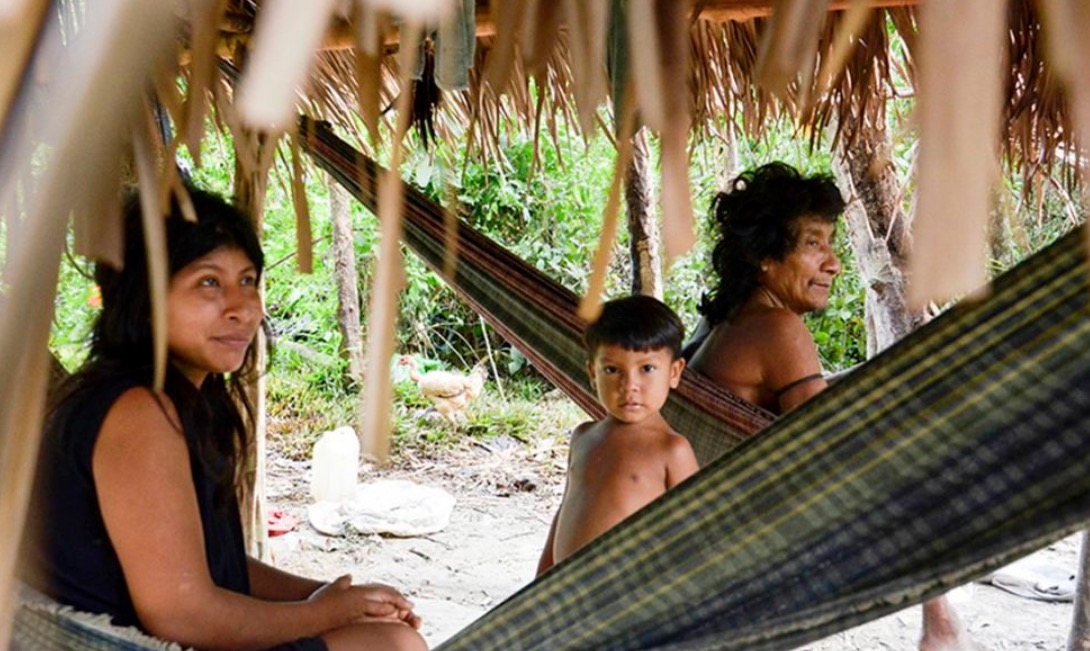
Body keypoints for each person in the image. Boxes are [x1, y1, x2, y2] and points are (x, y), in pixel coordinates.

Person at [22, 188, 427, 651]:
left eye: (249, 280)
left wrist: (328, 596)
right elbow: (182, 612)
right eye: (209, 283)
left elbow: (212, 563)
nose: (243, 308)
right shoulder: (137, 413)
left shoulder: (185, 400)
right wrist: (325, 612)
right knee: (392, 647)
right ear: (144, 293)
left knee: (382, 636)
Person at [686, 161, 976, 651]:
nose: (834, 262)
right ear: (766, 258)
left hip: (720, 506)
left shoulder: (727, 320)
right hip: (754, 522)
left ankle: (940, 621)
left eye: (831, 243)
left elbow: (804, 400)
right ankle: (940, 621)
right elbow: (827, 446)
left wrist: (884, 377)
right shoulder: (780, 329)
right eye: (814, 243)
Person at [537, 295, 699, 575]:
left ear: (674, 373)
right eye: (612, 370)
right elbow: (564, 512)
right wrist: (540, 578)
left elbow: (696, 536)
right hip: (565, 593)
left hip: (626, 601)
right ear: (592, 373)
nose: (629, 386)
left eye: (647, 369)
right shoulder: (583, 437)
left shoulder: (672, 450)